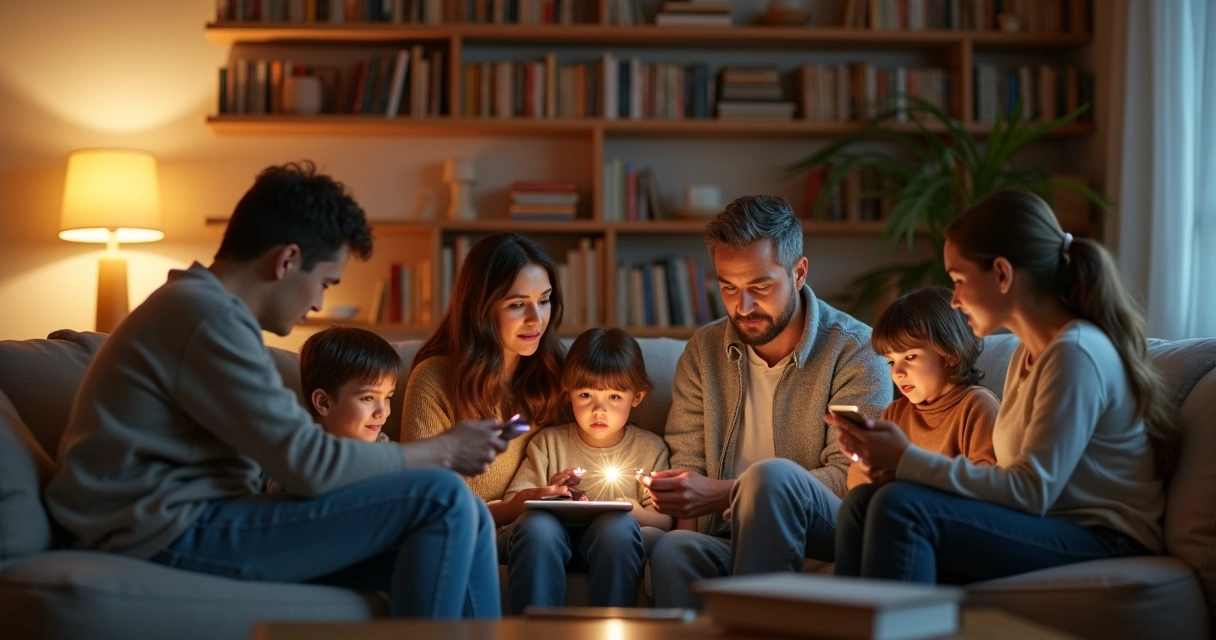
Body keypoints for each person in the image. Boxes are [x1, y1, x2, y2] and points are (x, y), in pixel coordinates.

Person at [44, 161, 507, 619]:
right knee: (442, 496)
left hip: (196, 520)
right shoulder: (206, 318)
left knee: (469, 517)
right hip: (158, 532)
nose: (320, 302)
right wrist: (443, 450)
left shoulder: (207, 312)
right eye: (324, 281)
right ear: (286, 260)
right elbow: (310, 464)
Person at [830, 189, 1179, 583]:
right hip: (1046, 524)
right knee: (863, 502)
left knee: (900, 507)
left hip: (1103, 539)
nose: (956, 300)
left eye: (959, 280)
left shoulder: (1076, 353)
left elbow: (1031, 491)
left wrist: (906, 460)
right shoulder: (1028, 355)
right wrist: (895, 467)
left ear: (1001, 273)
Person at [646, 195, 892, 609]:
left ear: (799, 273)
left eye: (760, 287)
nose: (742, 307)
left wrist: (728, 492)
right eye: (728, 287)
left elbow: (849, 480)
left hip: (825, 530)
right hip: (727, 537)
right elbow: (687, 464)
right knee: (675, 552)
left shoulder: (856, 351)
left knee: (773, 479)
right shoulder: (704, 351)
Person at [402, 232, 571, 528]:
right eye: (517, 305)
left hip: (546, 533)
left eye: (544, 300)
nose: (536, 319)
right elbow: (427, 506)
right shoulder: (434, 381)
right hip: (467, 536)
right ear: (480, 310)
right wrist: (511, 509)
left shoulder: (555, 372)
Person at [501, 328, 671, 613]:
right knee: (537, 527)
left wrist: (629, 507)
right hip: (549, 538)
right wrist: (550, 493)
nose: (599, 410)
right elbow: (517, 502)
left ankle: (615, 629)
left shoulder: (650, 449)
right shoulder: (549, 443)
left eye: (615, 397)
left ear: (637, 396)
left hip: (611, 541)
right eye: (586, 394)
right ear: (568, 394)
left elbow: (665, 521)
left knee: (617, 528)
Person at [845, 286, 998, 490]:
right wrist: (866, 464)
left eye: (910, 357)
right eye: (891, 361)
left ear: (950, 354)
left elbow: (988, 481)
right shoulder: (895, 413)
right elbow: (854, 483)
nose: (898, 372)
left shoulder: (977, 406)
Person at [265, 326, 401, 493]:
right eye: (368, 398)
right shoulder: (299, 453)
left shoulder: (383, 447)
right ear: (324, 403)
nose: (383, 412)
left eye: (388, 398)